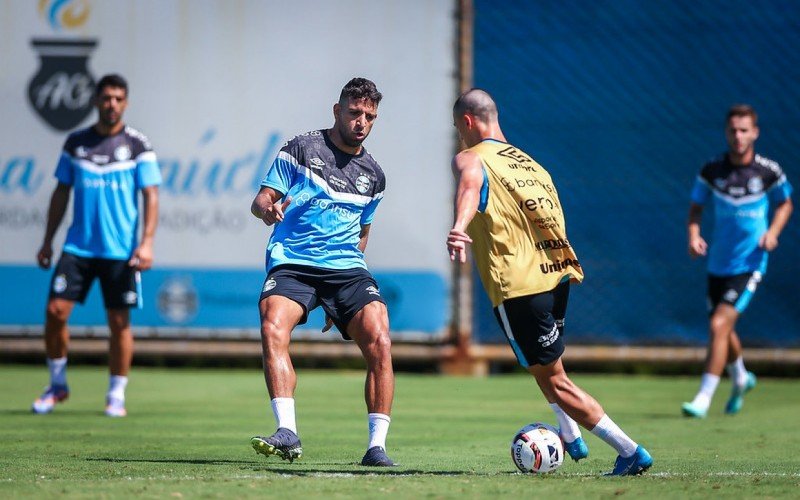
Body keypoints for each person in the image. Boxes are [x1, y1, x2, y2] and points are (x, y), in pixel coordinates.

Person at [447, 88, 652, 476]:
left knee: (555, 380)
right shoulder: (533, 165)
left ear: (468, 123)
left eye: (459, 127)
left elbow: (470, 186)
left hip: (520, 285)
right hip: (555, 279)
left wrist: (459, 227)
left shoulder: (471, 157)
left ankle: (630, 451)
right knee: (545, 367)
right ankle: (570, 433)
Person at [249, 77, 396, 467]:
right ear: (337, 110)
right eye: (354, 112)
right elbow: (262, 199)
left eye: (369, 116)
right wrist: (268, 209)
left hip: (346, 271)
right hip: (294, 263)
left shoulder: (375, 176)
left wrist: (342, 299)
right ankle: (287, 431)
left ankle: (377, 447)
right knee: (271, 325)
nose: (361, 121)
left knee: (380, 337)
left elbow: (363, 233)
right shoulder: (301, 148)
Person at [31, 74, 161, 418]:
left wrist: (146, 243)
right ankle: (57, 385)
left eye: (118, 98)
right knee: (55, 313)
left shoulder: (137, 145)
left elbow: (151, 195)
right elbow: (61, 192)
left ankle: (116, 394)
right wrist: (47, 241)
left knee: (119, 322)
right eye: (106, 98)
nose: (112, 104)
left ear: (126, 103)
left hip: (120, 251)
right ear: (96, 101)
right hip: (77, 248)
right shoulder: (76, 143)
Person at [682, 104, 793, 418]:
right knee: (724, 330)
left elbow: (785, 204)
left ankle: (704, 397)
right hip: (718, 263)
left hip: (750, 264)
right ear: (726, 132)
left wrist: (773, 232)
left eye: (745, 130)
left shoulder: (768, 171)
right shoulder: (711, 170)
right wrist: (693, 236)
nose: (738, 136)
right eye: (733, 130)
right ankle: (742, 377)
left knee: (719, 324)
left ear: (755, 132)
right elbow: (695, 210)